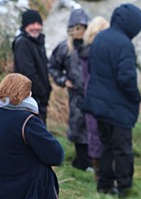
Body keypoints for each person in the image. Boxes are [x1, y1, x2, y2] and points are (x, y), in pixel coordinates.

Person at [86, 3, 141, 197]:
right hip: (119, 107)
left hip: (99, 105)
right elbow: (126, 78)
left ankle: (104, 185)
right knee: (122, 149)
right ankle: (124, 187)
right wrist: (136, 97)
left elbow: (92, 69)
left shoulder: (100, 37)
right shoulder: (124, 44)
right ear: (131, 25)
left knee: (106, 145)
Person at [49, 8, 90, 171]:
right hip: (76, 95)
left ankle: (93, 161)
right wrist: (63, 80)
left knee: (94, 126)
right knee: (78, 126)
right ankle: (81, 163)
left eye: (82, 27)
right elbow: (52, 66)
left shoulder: (93, 45)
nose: (79, 31)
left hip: (94, 93)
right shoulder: (65, 48)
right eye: (77, 27)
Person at [77, 16, 110, 183]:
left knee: (95, 136)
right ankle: (103, 175)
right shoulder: (96, 54)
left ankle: (100, 174)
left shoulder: (84, 53)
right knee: (100, 136)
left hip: (91, 99)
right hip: (98, 99)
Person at [13, 9, 51, 124]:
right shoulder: (22, 43)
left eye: (39, 24)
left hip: (39, 98)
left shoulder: (37, 42)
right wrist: (41, 92)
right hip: (29, 97)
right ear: (25, 26)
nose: (36, 27)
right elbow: (27, 72)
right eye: (32, 24)